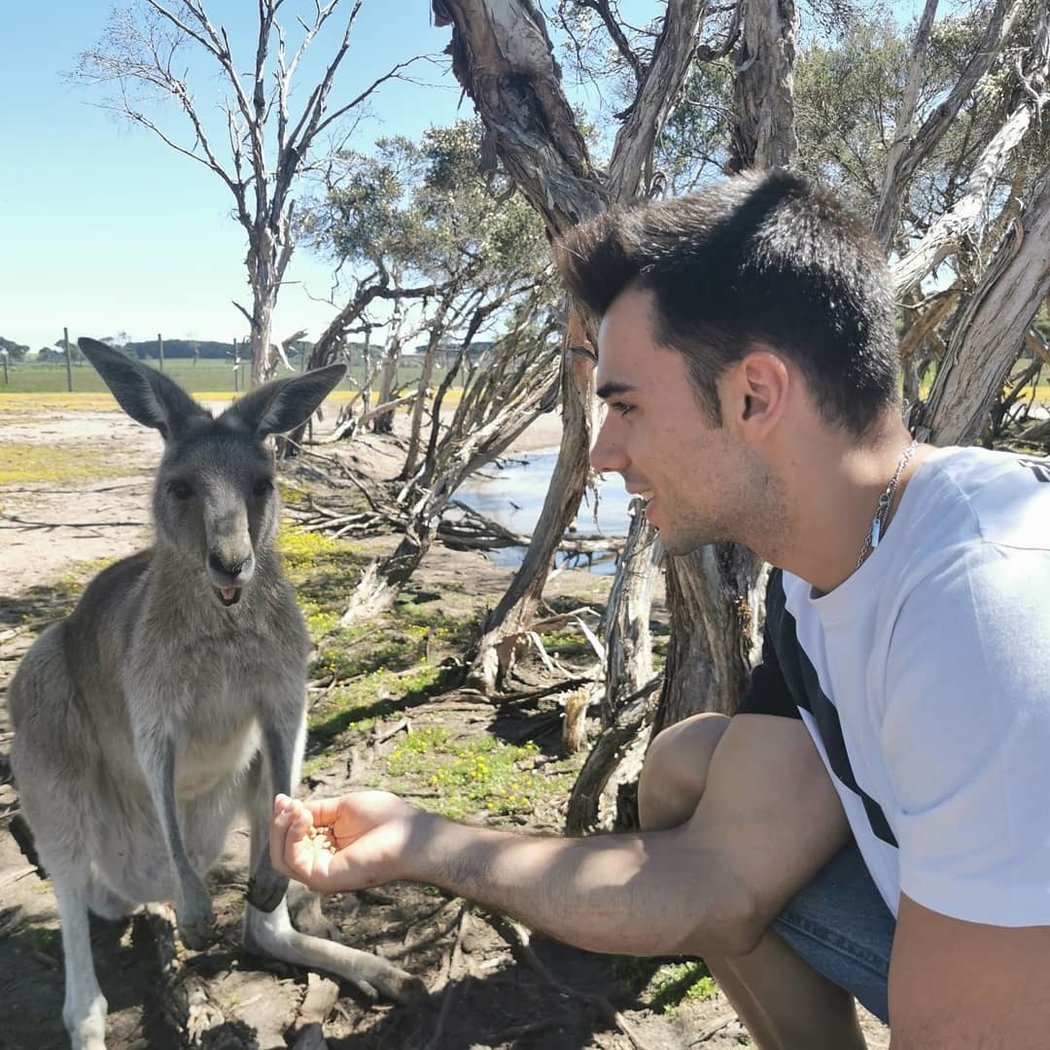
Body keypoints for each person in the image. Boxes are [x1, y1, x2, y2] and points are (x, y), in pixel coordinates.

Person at [271, 171, 1050, 1048]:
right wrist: (425, 843)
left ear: (754, 394)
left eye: (627, 406)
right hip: (977, 929)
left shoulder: (985, 613)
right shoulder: (826, 565)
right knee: (689, 763)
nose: (602, 453)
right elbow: (720, 874)